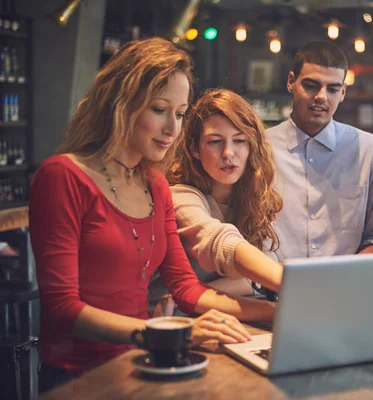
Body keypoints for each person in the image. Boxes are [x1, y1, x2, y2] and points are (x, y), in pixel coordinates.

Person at [28, 38, 274, 393]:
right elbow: (62, 307)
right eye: (159, 109)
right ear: (120, 104)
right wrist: (172, 333)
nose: (172, 129)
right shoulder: (62, 176)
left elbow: (187, 289)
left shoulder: (155, 186)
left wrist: (281, 312)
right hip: (77, 375)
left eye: (179, 113)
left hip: (144, 364)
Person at [149, 88, 282, 305]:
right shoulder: (180, 195)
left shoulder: (255, 195)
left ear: (252, 146)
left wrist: (193, 293)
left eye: (239, 140)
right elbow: (218, 240)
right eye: (215, 141)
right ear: (194, 148)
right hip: (164, 322)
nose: (228, 153)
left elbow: (262, 269)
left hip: (210, 312)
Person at [266, 41, 373, 261]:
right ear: (291, 82)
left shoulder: (368, 150)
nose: (321, 97)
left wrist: (348, 274)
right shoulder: (261, 147)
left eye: (333, 89)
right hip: (271, 289)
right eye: (310, 85)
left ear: (343, 92)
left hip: (347, 289)